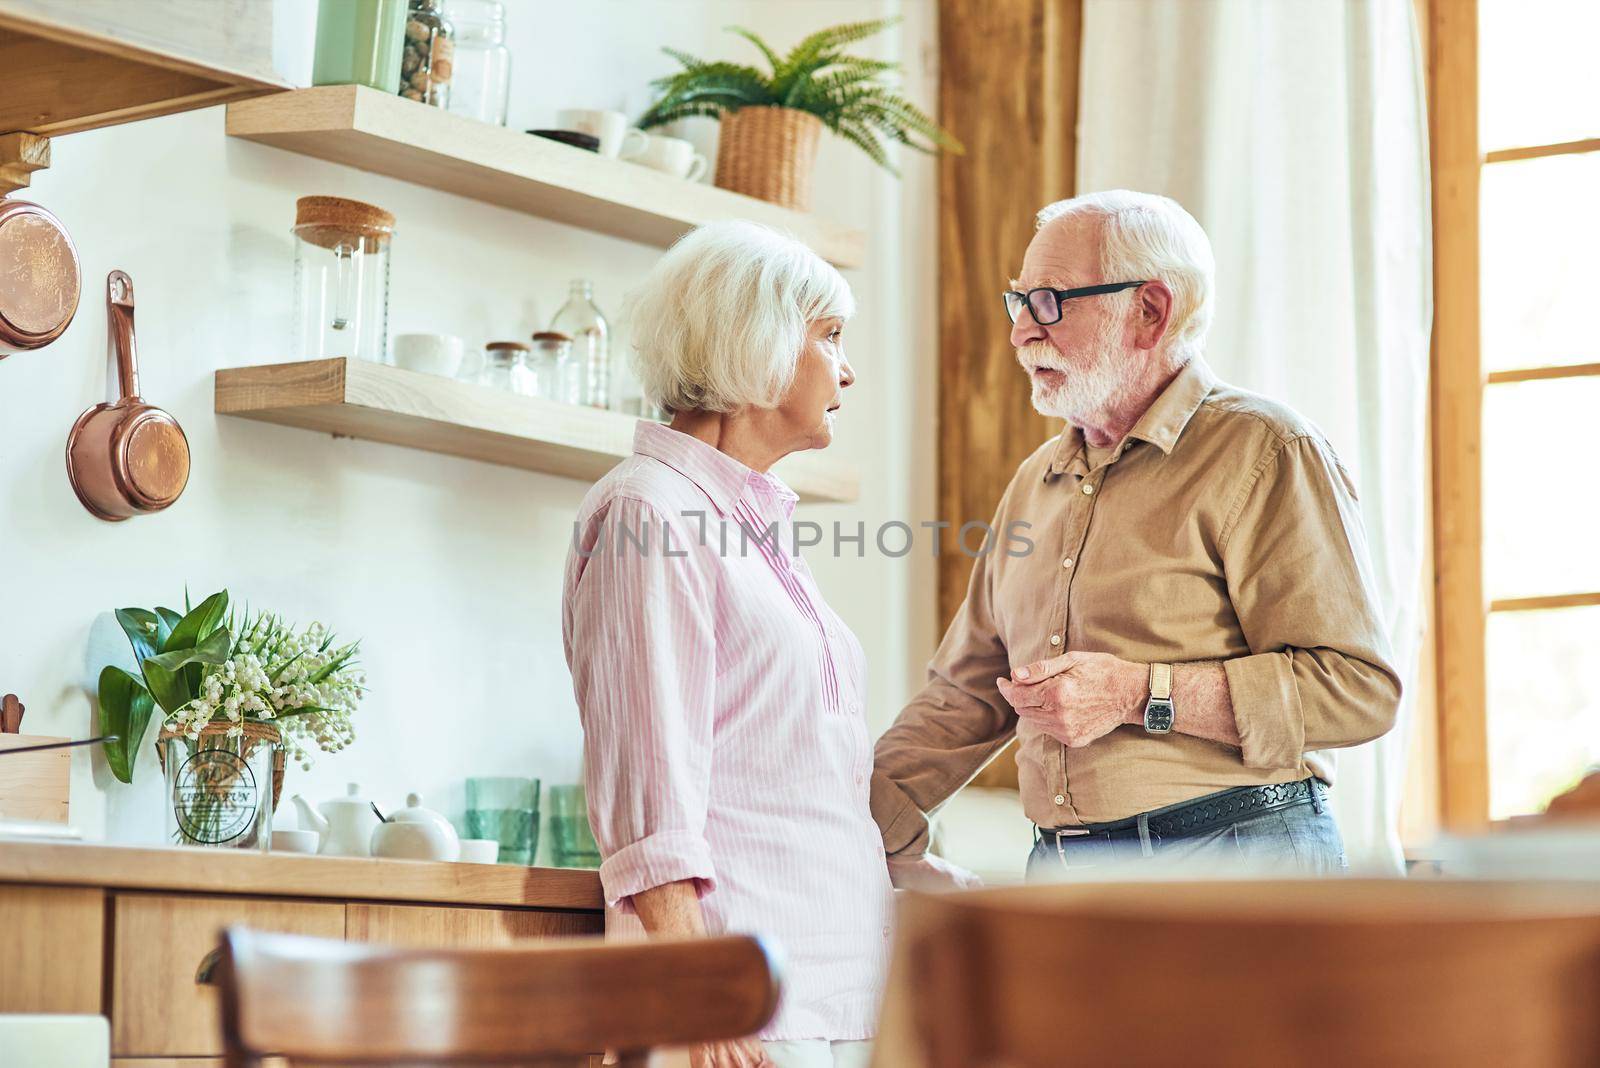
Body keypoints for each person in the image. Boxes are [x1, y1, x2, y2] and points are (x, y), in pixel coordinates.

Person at [872, 190, 1401, 880]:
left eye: (1052, 302)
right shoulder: (1036, 481)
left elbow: (1358, 689)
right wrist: (842, 819)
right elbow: (969, 696)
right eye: (1020, 302)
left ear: (1150, 312)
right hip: (1062, 872)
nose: (1021, 333)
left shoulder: (1265, 449)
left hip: (1239, 862)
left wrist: (1139, 694)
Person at [563, 221, 889, 1068]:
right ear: (759, 341)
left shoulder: (752, 526)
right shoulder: (650, 510)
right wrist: (697, 994)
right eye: (830, 336)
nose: (846, 368)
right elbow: (648, 780)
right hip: (742, 1003)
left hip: (832, 989)